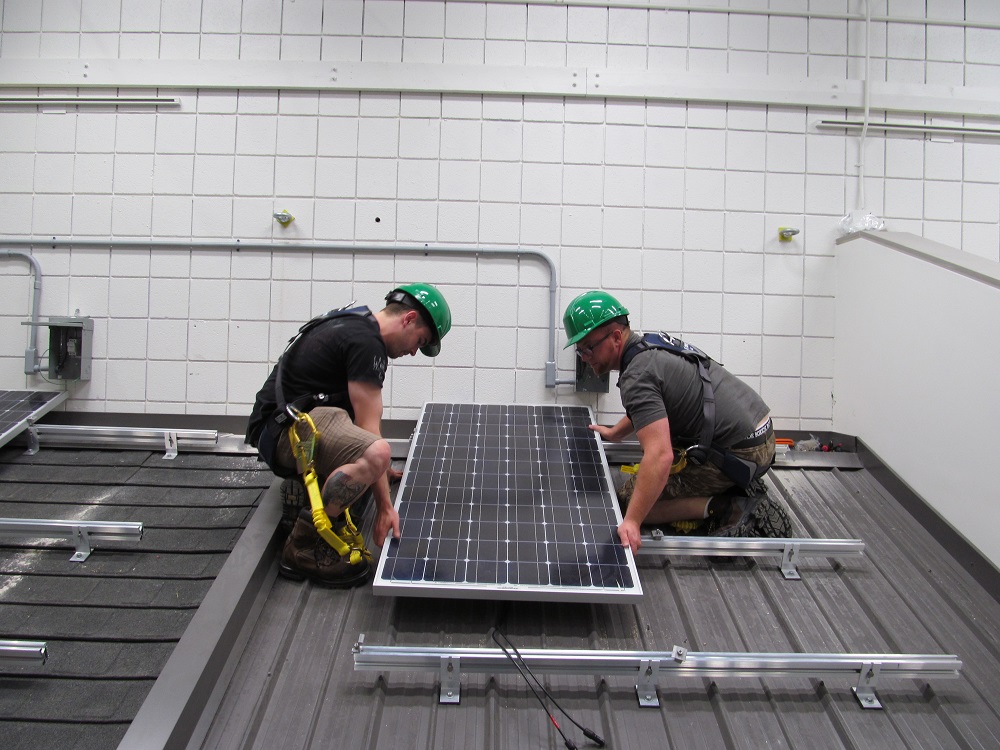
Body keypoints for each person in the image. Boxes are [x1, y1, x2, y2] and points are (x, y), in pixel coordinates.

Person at [246, 283, 451, 587]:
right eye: (419, 342)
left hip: (284, 426)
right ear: (408, 319)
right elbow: (371, 431)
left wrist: (375, 473)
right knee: (377, 454)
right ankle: (303, 547)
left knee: (371, 462)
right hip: (285, 434)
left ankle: (316, 487)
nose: (412, 352)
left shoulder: (355, 321)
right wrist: (384, 505)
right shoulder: (366, 343)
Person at [562, 290, 791, 554]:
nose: (585, 357)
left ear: (615, 337)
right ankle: (735, 482)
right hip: (759, 432)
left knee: (629, 500)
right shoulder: (649, 347)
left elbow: (660, 456)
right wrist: (616, 432)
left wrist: (633, 522)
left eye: (588, 347)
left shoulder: (636, 376)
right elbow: (651, 407)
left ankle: (729, 507)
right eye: (580, 351)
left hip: (740, 452)